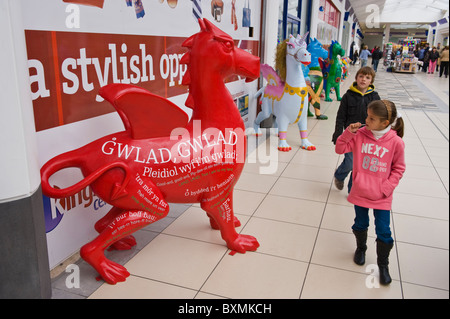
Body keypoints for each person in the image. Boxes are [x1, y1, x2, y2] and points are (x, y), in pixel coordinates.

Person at [335, 99, 406, 285]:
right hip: (360, 191)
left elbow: (399, 168)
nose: (367, 120)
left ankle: (383, 264)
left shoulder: (396, 142)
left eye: (372, 118)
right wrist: (348, 133)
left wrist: (386, 188)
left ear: (385, 123)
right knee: (360, 223)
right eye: (367, 115)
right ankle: (361, 248)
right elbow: (340, 148)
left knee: (384, 230)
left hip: (382, 196)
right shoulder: (359, 134)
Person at [332, 66, 381, 193]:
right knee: (350, 162)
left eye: (367, 77)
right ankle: (339, 175)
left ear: (371, 81)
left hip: (368, 136)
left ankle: (352, 190)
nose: (363, 79)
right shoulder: (348, 96)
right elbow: (340, 117)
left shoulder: (375, 97)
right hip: (351, 135)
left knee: (360, 165)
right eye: (361, 76)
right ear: (356, 78)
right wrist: (338, 133)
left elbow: (380, 116)